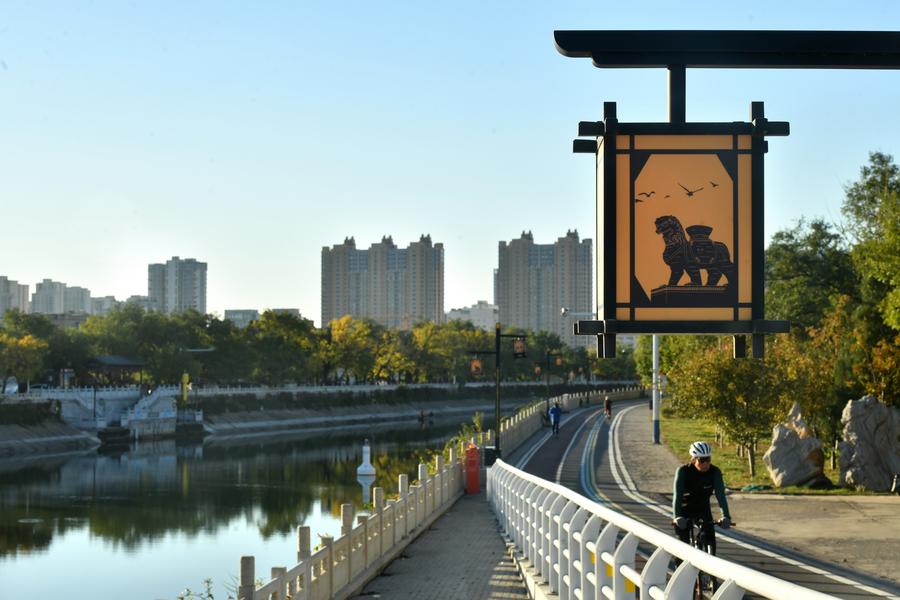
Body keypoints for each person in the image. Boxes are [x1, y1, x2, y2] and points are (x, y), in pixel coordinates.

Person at [672, 441, 732, 554]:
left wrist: (726, 516)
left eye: (708, 460)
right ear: (694, 459)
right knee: (681, 546)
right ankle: (679, 566)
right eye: (701, 460)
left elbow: (721, 496)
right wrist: (677, 516)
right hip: (684, 510)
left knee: (710, 536)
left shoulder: (715, 472)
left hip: (703, 509)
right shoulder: (683, 471)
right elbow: (677, 496)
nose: (705, 464)